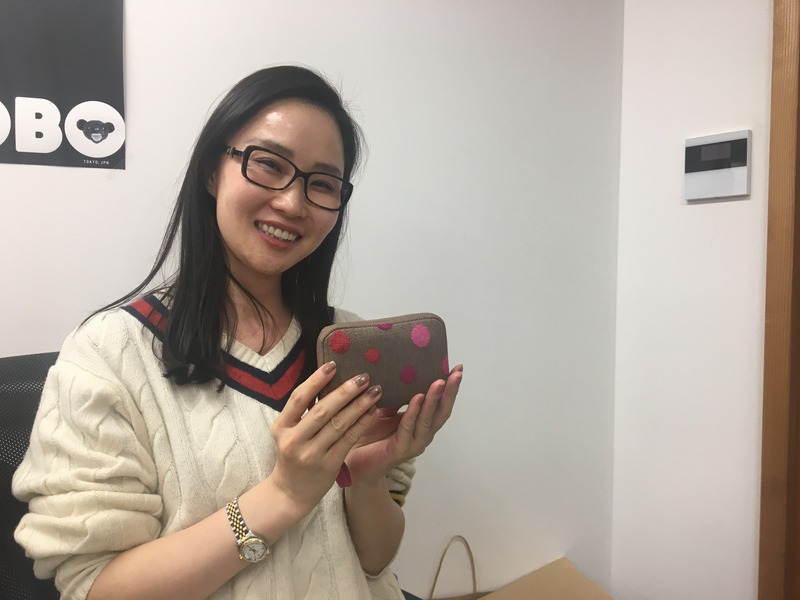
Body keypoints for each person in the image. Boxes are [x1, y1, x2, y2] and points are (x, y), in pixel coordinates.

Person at [12, 65, 462, 600]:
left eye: (322, 184)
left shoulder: (348, 345)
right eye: (268, 164)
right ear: (212, 171)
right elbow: (96, 586)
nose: (292, 203)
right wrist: (283, 496)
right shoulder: (108, 355)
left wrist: (365, 480)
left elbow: (374, 562)